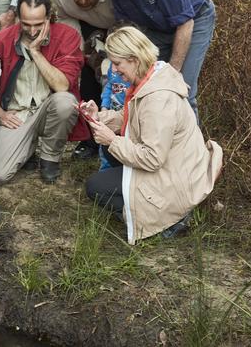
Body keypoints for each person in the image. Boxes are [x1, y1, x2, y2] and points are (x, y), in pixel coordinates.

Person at [81, 26, 222, 244]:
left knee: (96, 187)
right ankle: (155, 207)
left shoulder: (158, 99)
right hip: (174, 168)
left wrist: (112, 139)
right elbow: (132, 117)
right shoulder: (152, 76)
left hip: (173, 180)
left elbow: (153, 158)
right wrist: (98, 117)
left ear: (135, 59)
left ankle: (170, 218)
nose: (115, 70)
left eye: (118, 63)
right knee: (111, 151)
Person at [0, 0, 90, 184]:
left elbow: (62, 85)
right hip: (16, 114)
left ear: (49, 17)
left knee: (66, 102)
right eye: (26, 24)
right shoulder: (0, 41)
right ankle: (27, 148)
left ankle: (50, 157)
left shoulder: (67, 36)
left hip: (48, 108)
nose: (32, 31)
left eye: (38, 25)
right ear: (17, 17)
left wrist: (36, 52)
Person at [104, 0, 216, 120]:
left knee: (181, 88)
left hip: (193, 19)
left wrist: (172, 72)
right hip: (155, 26)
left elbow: (185, 23)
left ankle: (190, 140)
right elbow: (127, 28)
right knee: (144, 84)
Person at [52, 0, 117, 159]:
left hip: (121, 24)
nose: (81, 1)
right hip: (88, 26)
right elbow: (66, 19)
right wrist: (81, 53)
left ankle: (117, 137)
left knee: (117, 82)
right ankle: (90, 140)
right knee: (89, 81)